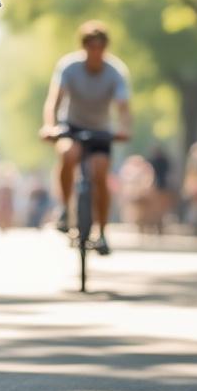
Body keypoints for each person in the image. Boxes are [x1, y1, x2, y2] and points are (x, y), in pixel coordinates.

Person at [40, 21, 132, 254]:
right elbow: (54, 101)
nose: (95, 52)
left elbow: (123, 107)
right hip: (72, 126)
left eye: (100, 47)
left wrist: (124, 128)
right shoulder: (69, 67)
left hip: (101, 130)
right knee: (67, 153)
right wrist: (50, 126)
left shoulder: (115, 72)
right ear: (84, 47)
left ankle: (102, 232)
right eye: (91, 47)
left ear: (105, 48)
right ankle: (64, 210)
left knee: (100, 171)